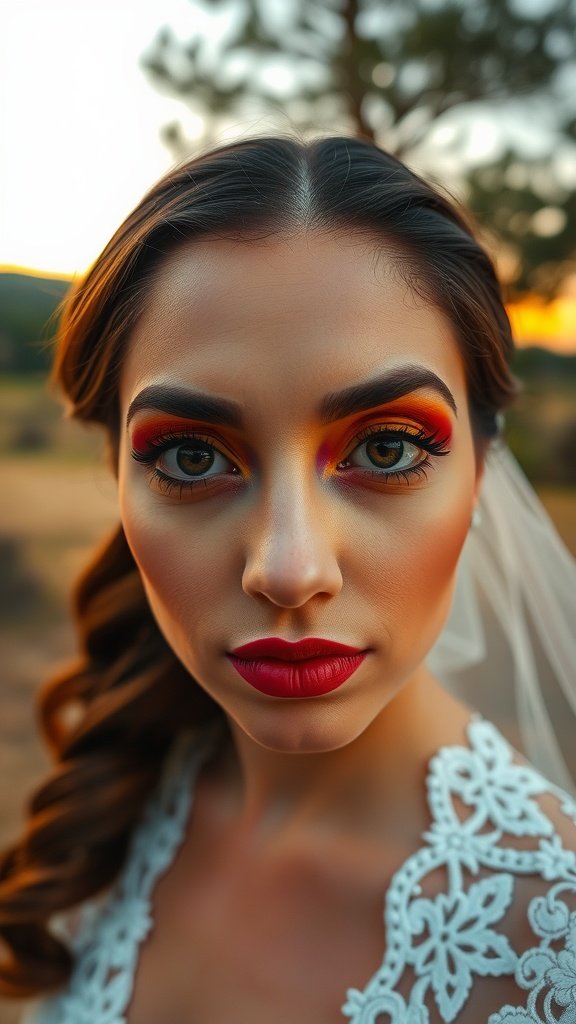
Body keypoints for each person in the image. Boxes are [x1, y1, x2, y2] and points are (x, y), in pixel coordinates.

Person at [1, 135, 575, 1024]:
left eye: (388, 448)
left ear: (483, 465)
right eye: (191, 456)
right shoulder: (113, 812)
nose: (289, 569)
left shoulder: (555, 942)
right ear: (115, 467)